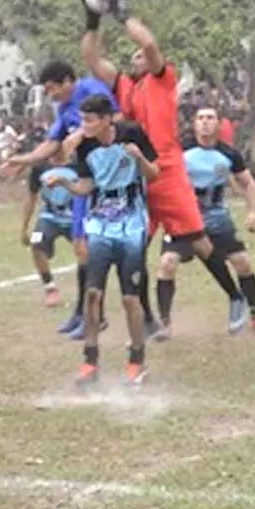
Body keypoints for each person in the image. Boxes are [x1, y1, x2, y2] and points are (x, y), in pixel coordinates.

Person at [80, 0, 249, 335]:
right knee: (134, 247)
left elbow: (150, 44)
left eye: (140, 55)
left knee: (200, 241)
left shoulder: (162, 78)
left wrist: (122, 13)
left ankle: (235, 297)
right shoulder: (126, 85)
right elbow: (92, 59)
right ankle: (151, 320)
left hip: (169, 170)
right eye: (134, 56)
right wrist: (92, 17)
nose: (138, 55)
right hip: (138, 173)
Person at [46, 95, 159, 385]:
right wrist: (65, 183)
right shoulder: (86, 147)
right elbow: (86, 187)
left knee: (130, 298)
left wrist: (139, 158)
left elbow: (154, 174)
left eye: (89, 120)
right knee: (93, 294)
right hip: (100, 226)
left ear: (107, 119)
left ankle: (137, 360)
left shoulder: (132, 134)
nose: (84, 126)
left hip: (132, 226)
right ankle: (90, 362)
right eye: (82, 120)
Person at [1, 61, 117, 337]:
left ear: (67, 81)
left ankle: (100, 315)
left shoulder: (91, 89)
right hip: (83, 178)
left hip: (108, 180)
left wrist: (82, 132)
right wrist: (24, 159)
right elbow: (53, 144)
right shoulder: (64, 110)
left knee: (101, 251)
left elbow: (118, 118)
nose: (50, 95)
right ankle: (84, 313)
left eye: (52, 88)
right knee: (81, 249)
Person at [156, 108, 255, 339]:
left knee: (242, 263)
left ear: (219, 124)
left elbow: (249, 184)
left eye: (210, 118)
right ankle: (164, 323)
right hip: (183, 219)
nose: (204, 123)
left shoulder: (229, 154)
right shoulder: (179, 151)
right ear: (193, 124)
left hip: (217, 218)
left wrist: (253, 212)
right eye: (200, 118)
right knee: (167, 263)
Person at [22, 148, 78, 308]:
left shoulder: (78, 164)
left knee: (88, 252)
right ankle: (50, 288)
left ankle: (89, 288)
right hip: (49, 217)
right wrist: (24, 227)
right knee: (36, 245)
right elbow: (31, 198)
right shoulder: (40, 167)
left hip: (75, 218)